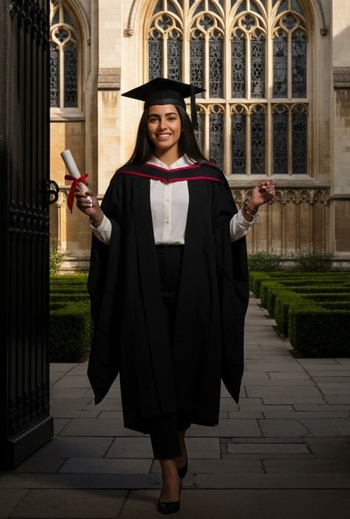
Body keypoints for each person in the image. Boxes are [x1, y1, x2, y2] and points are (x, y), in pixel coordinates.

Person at [74, 77, 275, 514]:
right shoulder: (128, 179)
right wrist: (95, 215)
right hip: (142, 281)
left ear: (182, 121)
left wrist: (251, 206)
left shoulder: (207, 177)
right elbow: (115, 238)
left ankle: (177, 438)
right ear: (145, 126)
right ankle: (169, 473)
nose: (161, 126)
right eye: (153, 119)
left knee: (186, 370)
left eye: (169, 117)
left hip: (196, 281)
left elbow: (224, 239)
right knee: (149, 371)